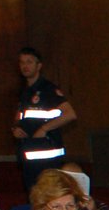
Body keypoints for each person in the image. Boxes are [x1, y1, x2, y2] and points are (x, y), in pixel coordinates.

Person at [13, 48, 77, 194]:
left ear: (39, 65)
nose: (25, 66)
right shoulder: (24, 92)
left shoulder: (48, 89)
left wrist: (44, 129)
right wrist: (16, 128)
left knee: (48, 195)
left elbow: (70, 114)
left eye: (29, 62)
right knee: (32, 196)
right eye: (22, 62)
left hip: (47, 156)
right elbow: (20, 117)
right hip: (28, 153)